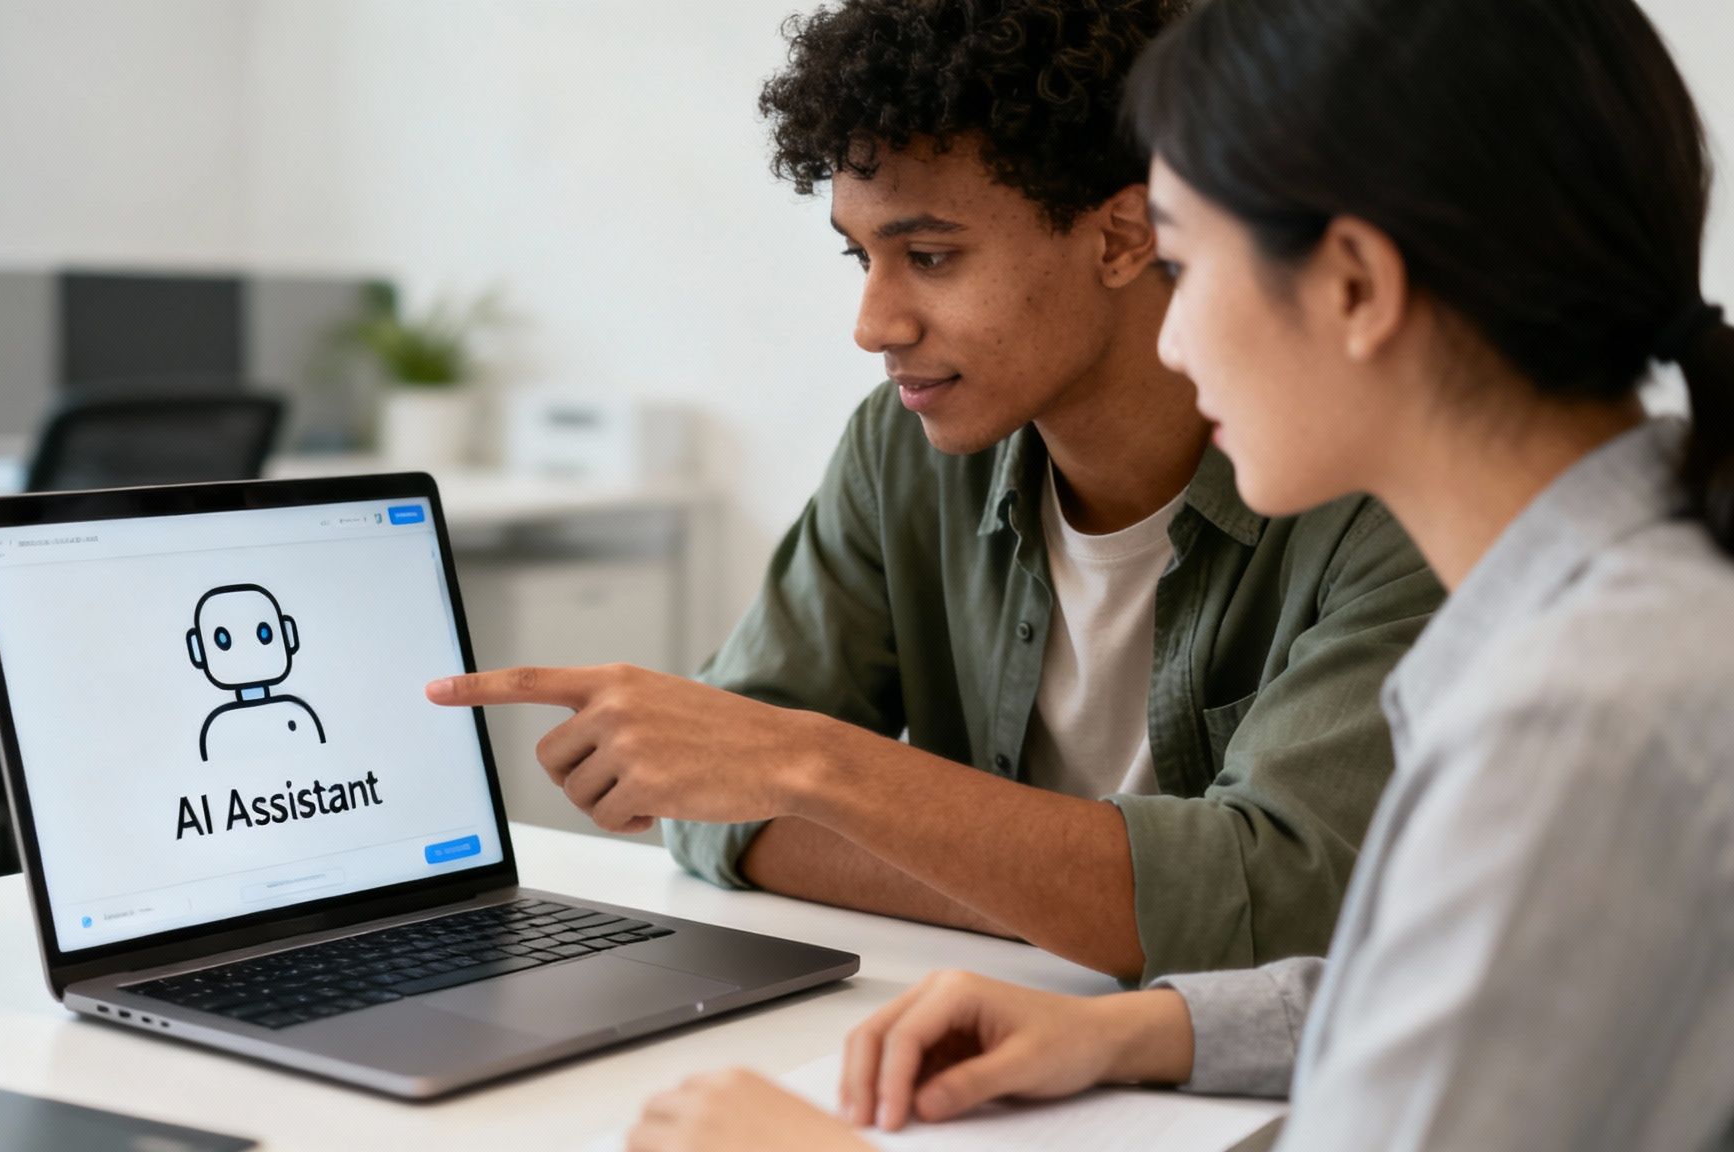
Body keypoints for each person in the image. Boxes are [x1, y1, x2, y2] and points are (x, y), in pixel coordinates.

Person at [618, 0, 1734, 1147]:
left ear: (1352, 285)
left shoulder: (1571, 717)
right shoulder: (1624, 616)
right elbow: (1460, 990)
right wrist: (1142, 1028)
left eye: (1188, 263)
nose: (1174, 340)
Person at [427, 0, 1442, 985]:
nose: (872, 325)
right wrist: (1091, 893)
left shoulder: (1375, 488)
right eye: (859, 256)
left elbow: (1278, 905)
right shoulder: (901, 448)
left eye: (928, 256)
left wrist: (817, 774)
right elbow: (708, 801)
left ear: (1122, 237)